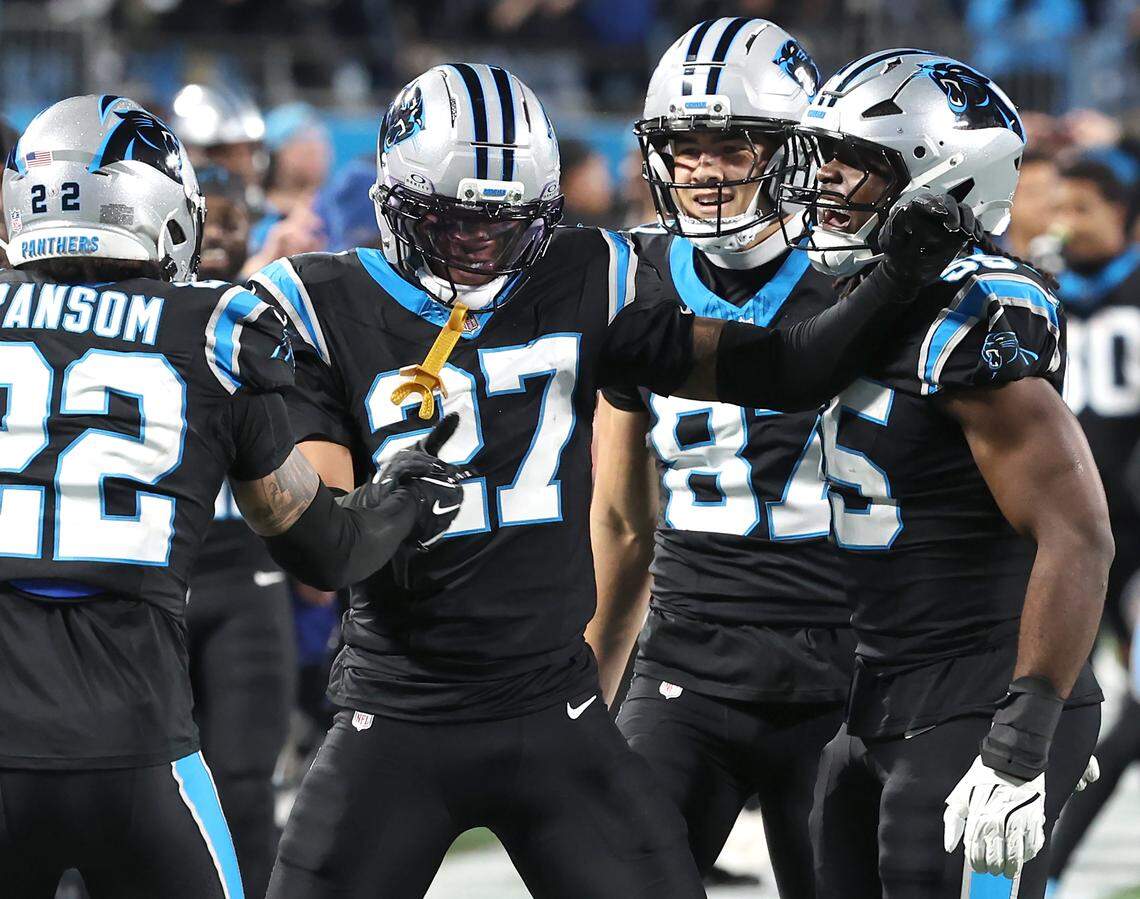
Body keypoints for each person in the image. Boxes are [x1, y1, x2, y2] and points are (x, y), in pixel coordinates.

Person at [252, 63, 974, 899]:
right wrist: (391, 503)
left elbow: (785, 368)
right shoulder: (316, 302)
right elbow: (325, 549)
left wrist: (896, 278)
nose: (482, 246)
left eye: (504, 222)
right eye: (453, 223)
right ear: (395, 201)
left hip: (550, 710)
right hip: (396, 712)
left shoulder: (583, 274)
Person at [0, 94, 468, 899]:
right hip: (139, 753)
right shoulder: (214, 329)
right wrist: (397, 495)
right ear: (161, 209)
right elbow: (321, 547)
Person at [779, 51, 1110, 898]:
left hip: (978, 693)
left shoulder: (971, 316)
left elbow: (1078, 534)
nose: (823, 182)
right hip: (881, 687)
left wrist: (1025, 735)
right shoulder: (855, 295)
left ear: (940, 181)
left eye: (852, 164)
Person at [586, 19, 849, 897]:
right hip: (690, 658)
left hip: (849, 661)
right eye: (684, 147)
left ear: (795, 148)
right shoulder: (636, 277)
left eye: (731, 146)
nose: (702, 170)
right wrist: (587, 684)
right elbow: (624, 518)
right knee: (620, 876)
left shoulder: (862, 278)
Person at [186, 164, 296, 898]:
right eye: (211, 220)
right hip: (160, 573)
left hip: (245, 571)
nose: (222, 235)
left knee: (244, 781)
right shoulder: (152, 313)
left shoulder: (259, 318)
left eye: (235, 222)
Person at [1045, 154, 1140, 890]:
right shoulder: (1040, 289)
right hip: (1064, 534)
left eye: (1082, 209)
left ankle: (1045, 866)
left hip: (1133, 532)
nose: (1065, 226)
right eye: (1060, 208)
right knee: (1058, 699)